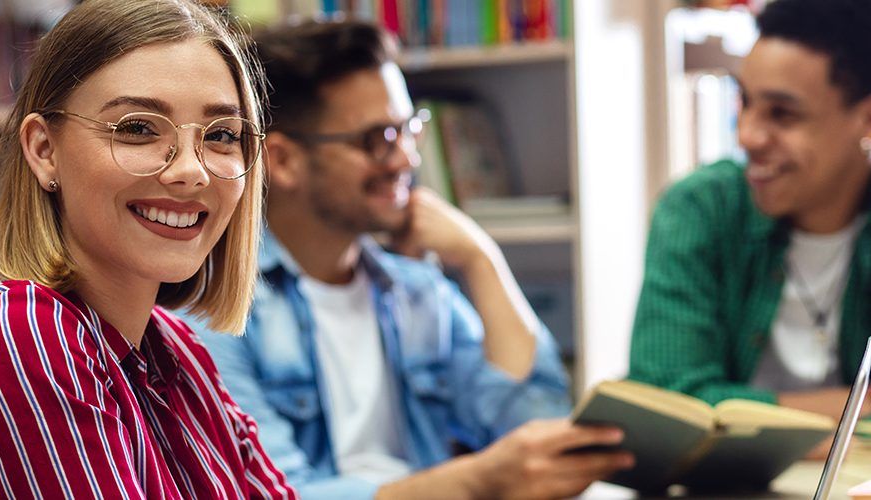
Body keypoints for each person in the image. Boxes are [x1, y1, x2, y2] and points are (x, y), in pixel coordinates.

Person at [183, 19, 633, 500]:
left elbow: (533, 427)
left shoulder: (416, 290)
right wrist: (477, 480)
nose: (406, 161)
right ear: (284, 160)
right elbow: (275, 494)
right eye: (377, 140)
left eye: (408, 130)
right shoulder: (213, 315)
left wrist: (483, 261)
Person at [0, 0, 296, 497]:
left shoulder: (179, 351)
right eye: (137, 128)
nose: (191, 171)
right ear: (44, 150)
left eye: (221, 135)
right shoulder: (19, 337)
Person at [630, 0, 871, 425]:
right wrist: (859, 407)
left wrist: (732, 414)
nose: (747, 135)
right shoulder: (700, 207)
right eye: (744, 101)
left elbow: (694, 410)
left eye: (782, 113)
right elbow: (664, 402)